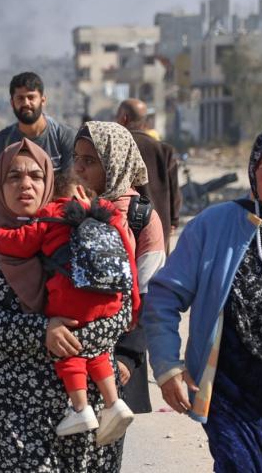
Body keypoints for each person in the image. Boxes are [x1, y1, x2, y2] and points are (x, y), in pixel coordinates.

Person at [0, 139, 132, 472]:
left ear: (49, 183)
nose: (26, 185)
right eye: (14, 177)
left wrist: (75, 334)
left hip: (92, 408)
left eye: (36, 176)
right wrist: (42, 331)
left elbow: (120, 307)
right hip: (16, 408)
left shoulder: (86, 233)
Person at [144, 127, 262, 472]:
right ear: (253, 170)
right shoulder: (214, 225)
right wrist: (168, 366)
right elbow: (164, 295)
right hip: (232, 390)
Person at [0, 162, 140, 443]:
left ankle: (80, 408)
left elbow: (20, 242)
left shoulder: (51, 214)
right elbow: (128, 259)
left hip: (71, 303)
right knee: (98, 352)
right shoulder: (107, 214)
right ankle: (113, 402)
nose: (27, 185)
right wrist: (134, 302)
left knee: (69, 350)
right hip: (109, 298)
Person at [72, 121, 166, 414]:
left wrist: (128, 355)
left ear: (115, 162)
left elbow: (152, 294)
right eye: (76, 158)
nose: (79, 168)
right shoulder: (67, 208)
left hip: (118, 353)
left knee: (107, 448)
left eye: (90, 161)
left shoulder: (142, 218)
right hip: (69, 352)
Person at [0, 72, 76, 200]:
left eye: (31, 97)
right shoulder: (3, 141)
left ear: (42, 100)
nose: (26, 103)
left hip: (55, 208)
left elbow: (72, 183)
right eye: (20, 98)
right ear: (12, 103)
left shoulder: (63, 136)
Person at [116, 99, 181, 251]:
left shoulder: (117, 148)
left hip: (125, 228)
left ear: (124, 118)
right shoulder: (165, 150)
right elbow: (174, 191)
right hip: (159, 228)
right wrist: (173, 220)